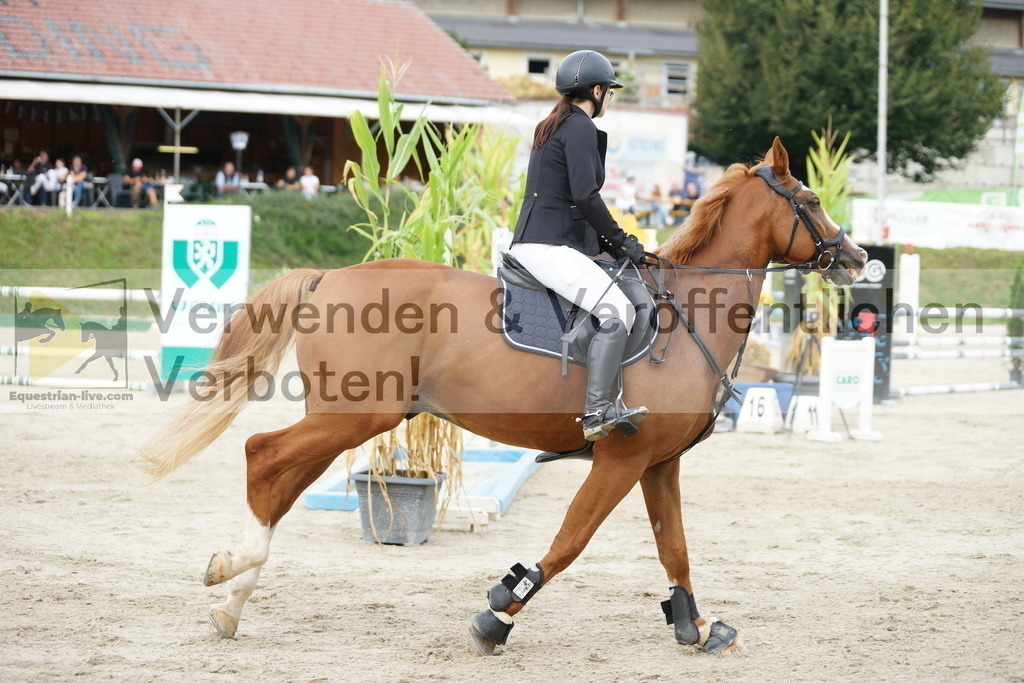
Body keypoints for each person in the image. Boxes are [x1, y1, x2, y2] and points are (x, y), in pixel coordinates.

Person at [507, 49, 649, 441]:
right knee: (618, 311)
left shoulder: (555, 123)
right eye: (610, 93)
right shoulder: (580, 127)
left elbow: (569, 197)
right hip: (547, 246)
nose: (609, 99)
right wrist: (621, 241)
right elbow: (586, 196)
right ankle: (597, 411)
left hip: (539, 241)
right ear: (599, 90)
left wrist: (612, 247)